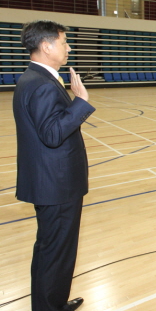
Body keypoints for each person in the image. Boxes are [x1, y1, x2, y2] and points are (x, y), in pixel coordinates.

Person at [13, 20, 95, 311]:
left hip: (50, 182)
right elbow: (52, 134)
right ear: (46, 46)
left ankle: (52, 303)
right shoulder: (42, 85)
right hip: (57, 185)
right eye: (63, 42)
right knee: (56, 252)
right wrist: (81, 102)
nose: (68, 47)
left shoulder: (35, 78)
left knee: (51, 250)